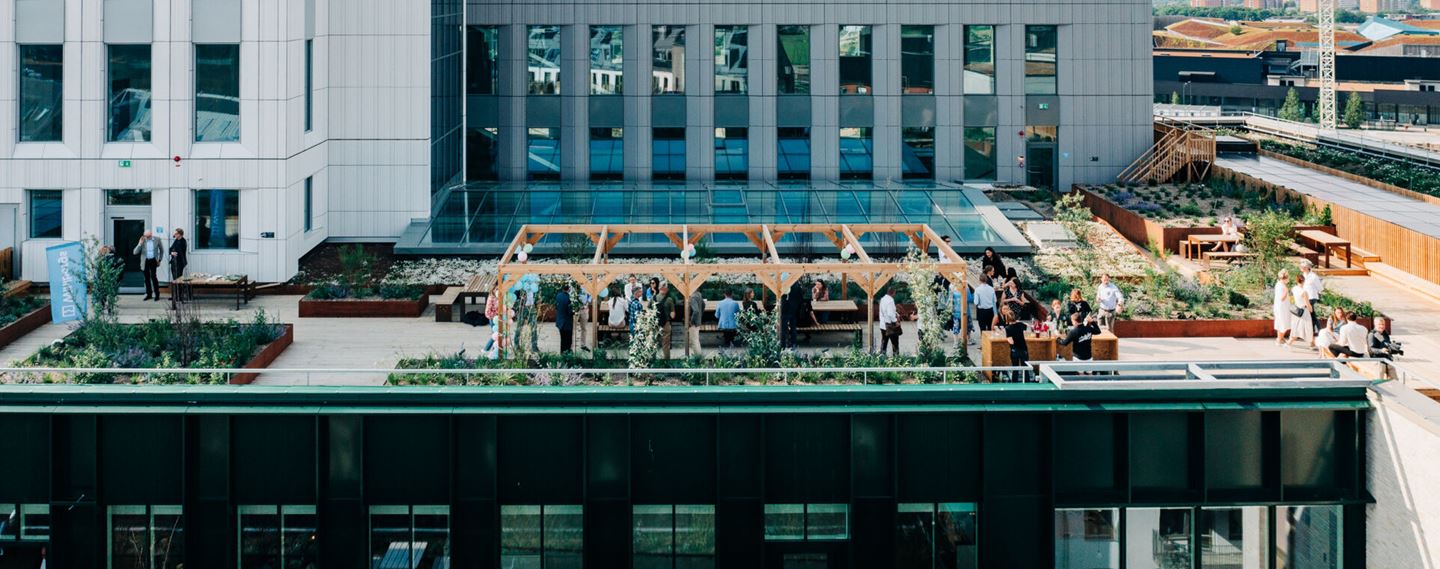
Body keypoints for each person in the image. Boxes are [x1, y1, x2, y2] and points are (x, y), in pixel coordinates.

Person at [133, 230, 166, 301]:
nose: (146, 238)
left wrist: (159, 260)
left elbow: (162, 250)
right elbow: (135, 252)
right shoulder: (142, 240)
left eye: (148, 236)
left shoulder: (157, 239)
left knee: (154, 277)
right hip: (145, 262)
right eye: (145, 236)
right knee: (146, 279)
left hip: (154, 260)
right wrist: (140, 244)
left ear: (151, 235)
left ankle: (157, 294)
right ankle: (149, 294)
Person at [1002, 307, 1030, 382]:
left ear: (1007, 318)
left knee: (1015, 368)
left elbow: (1011, 341)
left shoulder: (1008, 328)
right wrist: (1018, 321)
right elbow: (1028, 325)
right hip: (1023, 349)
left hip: (1015, 350)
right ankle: (1027, 383)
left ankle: (1014, 383)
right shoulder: (1020, 325)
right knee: (1025, 368)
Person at [1288, 277, 1314, 349]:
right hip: (1304, 311)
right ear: (1304, 281)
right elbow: (1307, 303)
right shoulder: (1304, 292)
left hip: (1296, 311)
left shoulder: (1294, 288)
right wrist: (1311, 310)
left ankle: (1311, 343)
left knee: (1296, 327)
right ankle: (1311, 343)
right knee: (1308, 327)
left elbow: (1291, 298)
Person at [1300, 260, 1323, 332]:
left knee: (1309, 312)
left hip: (1312, 297)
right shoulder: (1302, 276)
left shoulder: (1313, 276)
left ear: (1307, 267)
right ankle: (1315, 330)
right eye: (1301, 267)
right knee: (1312, 314)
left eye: (1303, 267)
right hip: (1305, 297)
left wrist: (1315, 291)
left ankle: (1315, 330)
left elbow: (1320, 288)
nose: (1301, 268)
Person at [1272, 270, 1293, 345]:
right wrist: (1286, 291)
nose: (1288, 280)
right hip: (1282, 308)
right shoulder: (1282, 286)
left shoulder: (1279, 284)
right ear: (1285, 278)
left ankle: (1281, 338)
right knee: (1283, 323)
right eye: (1288, 278)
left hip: (1281, 307)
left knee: (1281, 322)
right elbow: (1282, 298)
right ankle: (1279, 339)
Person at [878, 286, 900, 355]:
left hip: (882, 324)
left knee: (884, 342)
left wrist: (896, 313)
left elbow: (885, 310)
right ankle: (896, 359)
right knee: (895, 342)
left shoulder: (883, 299)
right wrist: (896, 321)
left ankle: (881, 358)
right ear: (893, 293)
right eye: (894, 293)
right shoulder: (890, 300)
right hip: (890, 325)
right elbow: (890, 314)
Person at [781, 282, 803, 349]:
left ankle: (783, 345)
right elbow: (800, 297)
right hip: (794, 309)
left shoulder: (784, 282)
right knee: (793, 328)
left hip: (785, 308)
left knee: (783, 328)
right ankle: (794, 344)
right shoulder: (797, 284)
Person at [656, 282, 675, 359]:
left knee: (653, 343)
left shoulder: (653, 298)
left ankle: (652, 361)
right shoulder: (669, 299)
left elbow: (648, 311)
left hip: (655, 324)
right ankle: (666, 363)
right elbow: (673, 315)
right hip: (666, 324)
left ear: (659, 288)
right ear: (666, 289)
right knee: (666, 345)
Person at [554, 287, 574, 354]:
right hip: (567, 322)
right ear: (569, 289)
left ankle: (562, 354)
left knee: (563, 340)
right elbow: (570, 311)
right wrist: (575, 311)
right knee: (568, 341)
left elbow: (556, 307)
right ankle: (567, 355)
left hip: (560, 321)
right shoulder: (569, 298)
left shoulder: (558, 295)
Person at [687, 290, 707, 354]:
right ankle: (699, 358)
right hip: (698, 321)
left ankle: (698, 359)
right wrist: (700, 316)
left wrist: (691, 321)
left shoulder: (693, 297)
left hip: (694, 323)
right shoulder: (699, 294)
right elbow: (704, 305)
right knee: (696, 341)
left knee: (694, 342)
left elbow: (696, 311)